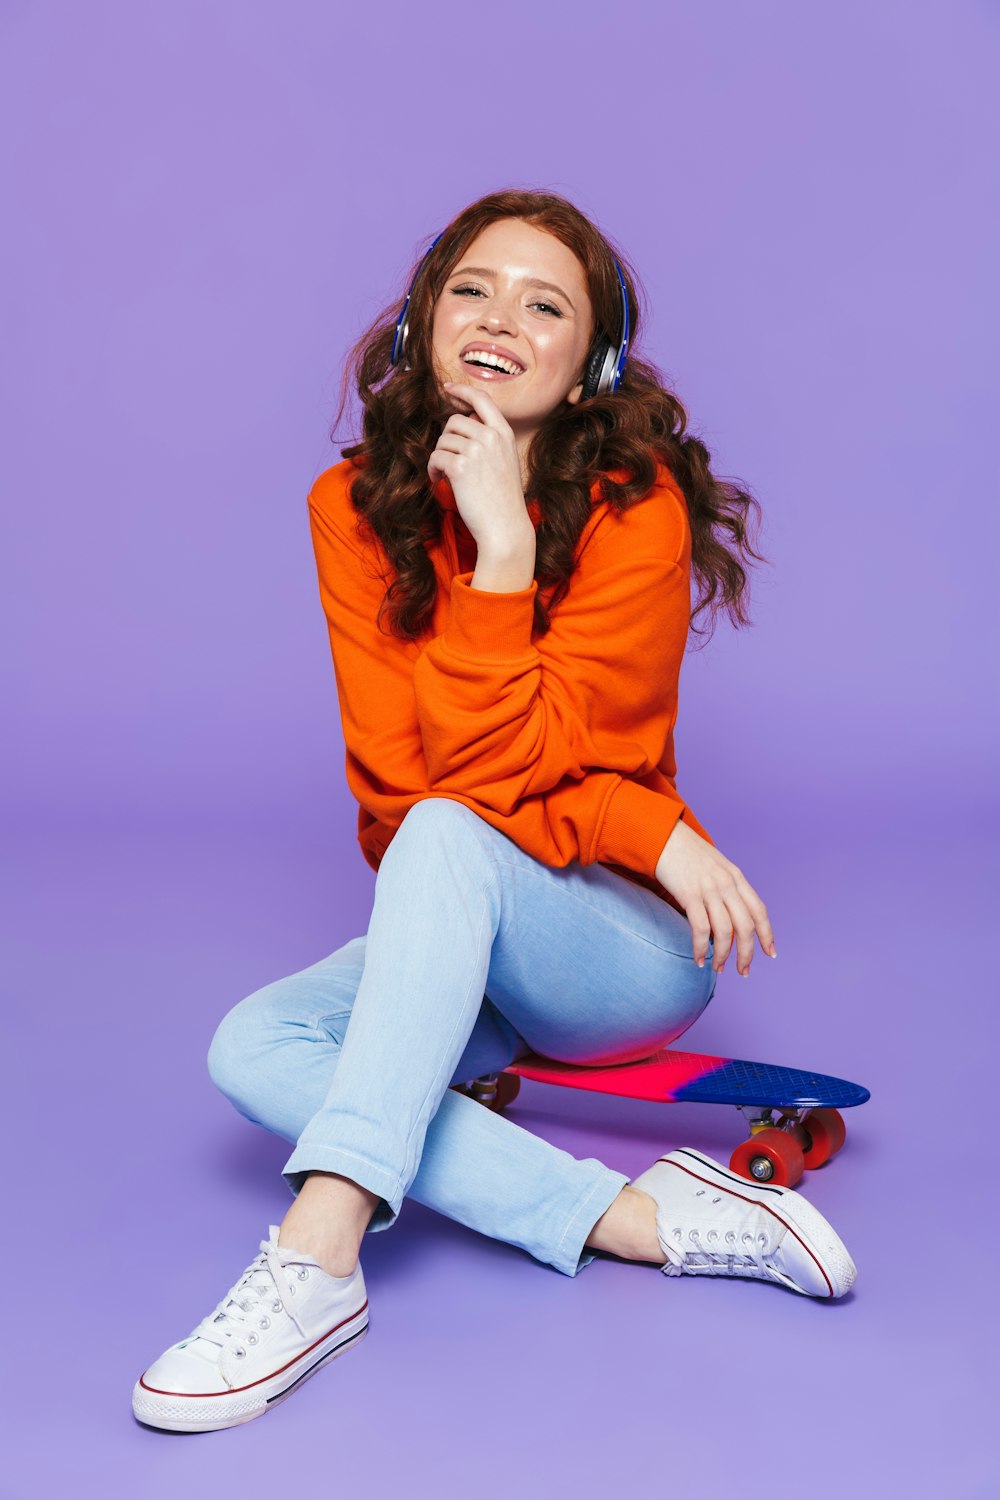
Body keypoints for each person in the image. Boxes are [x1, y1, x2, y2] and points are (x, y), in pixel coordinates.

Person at [132, 190, 857, 1434]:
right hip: (469, 937)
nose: (499, 319)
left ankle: (315, 1258)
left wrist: (507, 550)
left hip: (619, 951)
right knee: (251, 1046)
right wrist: (642, 821)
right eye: (472, 288)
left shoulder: (637, 508)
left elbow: (477, 793)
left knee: (448, 836)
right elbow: (401, 796)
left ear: (590, 369)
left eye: (546, 304)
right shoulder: (349, 508)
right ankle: (640, 1217)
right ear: (423, 323)